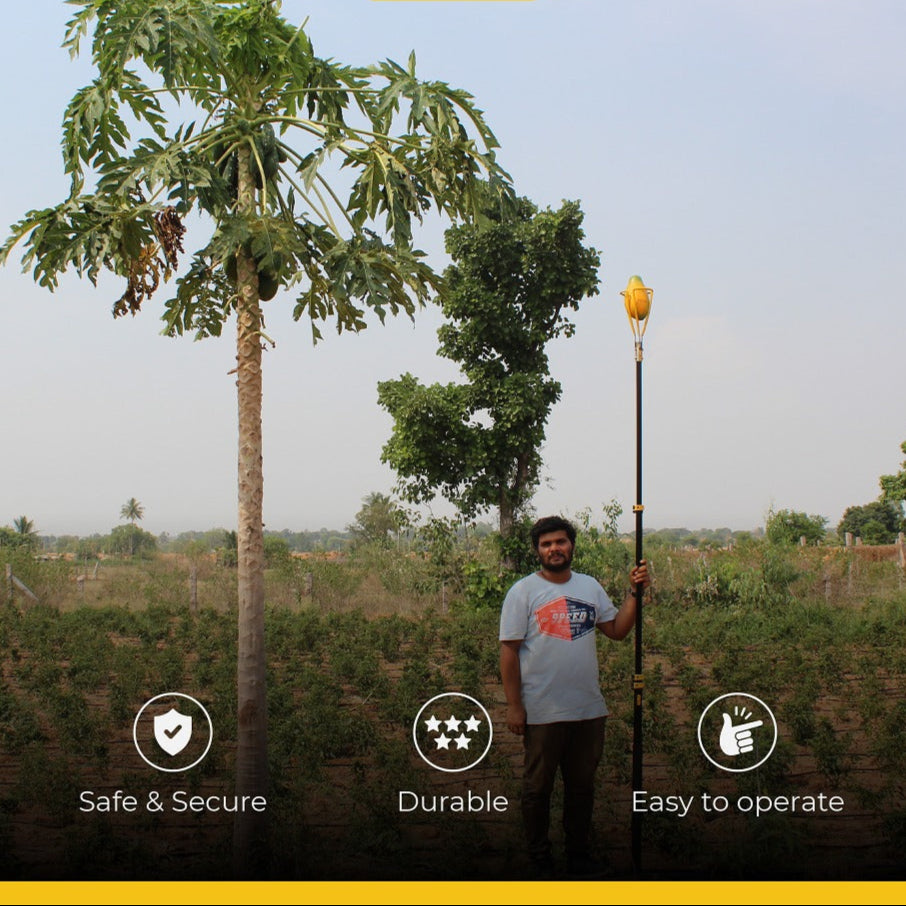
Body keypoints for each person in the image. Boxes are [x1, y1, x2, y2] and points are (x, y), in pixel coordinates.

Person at [499, 515, 650, 879]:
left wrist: (634, 593)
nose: (554, 549)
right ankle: (539, 858)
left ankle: (578, 856)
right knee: (538, 788)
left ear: (571, 546)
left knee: (581, 789)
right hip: (542, 711)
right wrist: (516, 706)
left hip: (588, 710)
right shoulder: (523, 592)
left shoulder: (589, 587)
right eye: (547, 544)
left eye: (560, 542)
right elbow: (508, 652)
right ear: (537, 550)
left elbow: (617, 630)